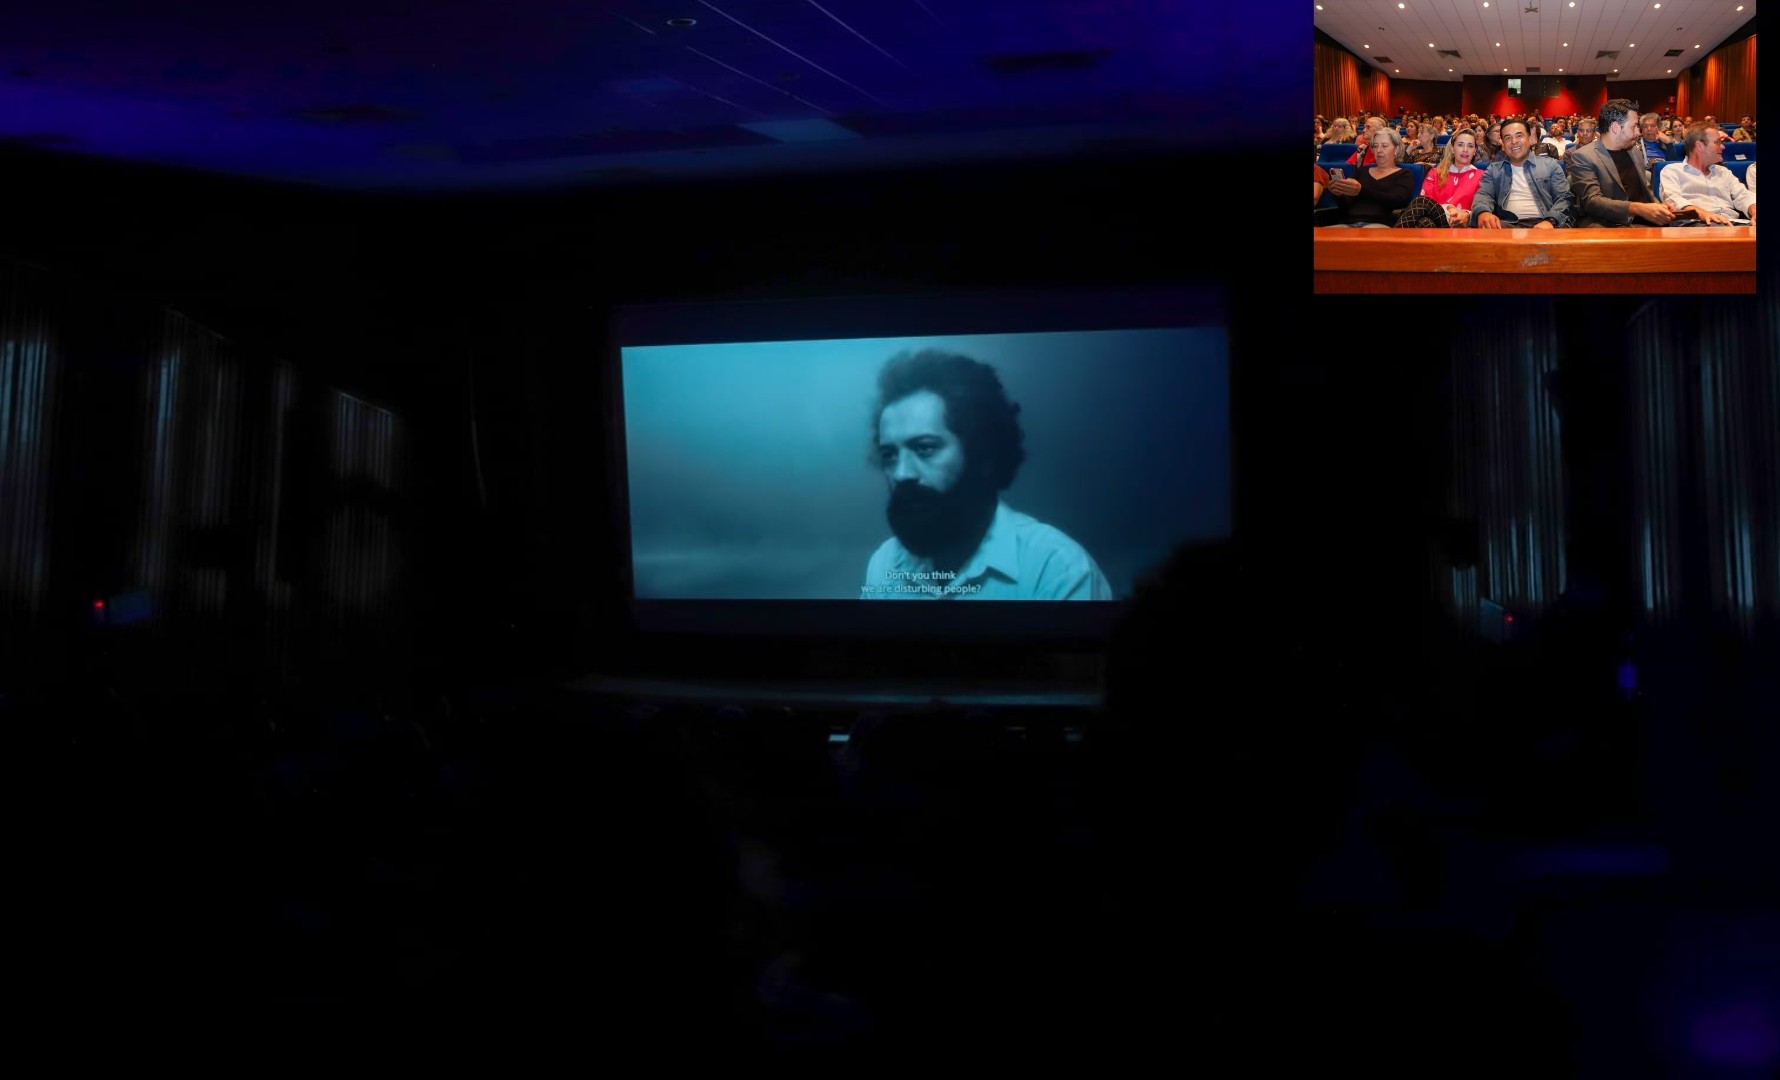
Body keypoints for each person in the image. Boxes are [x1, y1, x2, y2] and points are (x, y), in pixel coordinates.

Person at [862, 349, 1111, 601]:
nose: (901, 474)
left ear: (982, 454)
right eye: (889, 455)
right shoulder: (885, 564)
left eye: (925, 448)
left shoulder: (1057, 570)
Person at [1566, 99, 1675, 227]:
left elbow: (1645, 191)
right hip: (1610, 224)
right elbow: (1592, 202)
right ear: (1616, 127)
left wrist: (1660, 207)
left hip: (1644, 221)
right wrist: (1638, 208)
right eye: (1634, 126)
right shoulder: (1583, 156)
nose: (1638, 132)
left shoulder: (1634, 151)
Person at [1471, 118, 1574, 229]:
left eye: (1519, 136)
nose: (1514, 141)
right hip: (1507, 225)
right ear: (1503, 143)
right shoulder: (1493, 170)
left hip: (1546, 222)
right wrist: (1483, 212)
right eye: (1508, 138)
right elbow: (1484, 195)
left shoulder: (1551, 166)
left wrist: (1551, 221)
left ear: (1529, 138)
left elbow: (1564, 198)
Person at [1660, 125, 1757, 225]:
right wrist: (1703, 214)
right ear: (1700, 146)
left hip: (1733, 223)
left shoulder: (1723, 172)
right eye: (1717, 142)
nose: (1723, 147)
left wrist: (1754, 210)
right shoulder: (1672, 171)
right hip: (1697, 224)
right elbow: (1673, 200)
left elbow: (1743, 195)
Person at [1324, 128, 1418, 227]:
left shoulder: (1404, 174)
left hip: (1380, 223)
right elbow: (1347, 205)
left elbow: (1397, 201)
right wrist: (1337, 193)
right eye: (1375, 146)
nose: (1379, 150)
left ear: (1396, 149)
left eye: (1384, 146)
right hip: (1349, 222)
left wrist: (1361, 191)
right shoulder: (1361, 171)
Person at [1413, 128, 1482, 227]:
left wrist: (1467, 215)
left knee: (1423, 222)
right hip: (1435, 221)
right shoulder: (1435, 173)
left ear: (1474, 151)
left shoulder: (1482, 176)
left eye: (1470, 146)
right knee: (1424, 219)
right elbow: (1424, 202)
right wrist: (1448, 208)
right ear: (1452, 149)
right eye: (1460, 145)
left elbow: (1484, 207)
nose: (1465, 150)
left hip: (1463, 226)